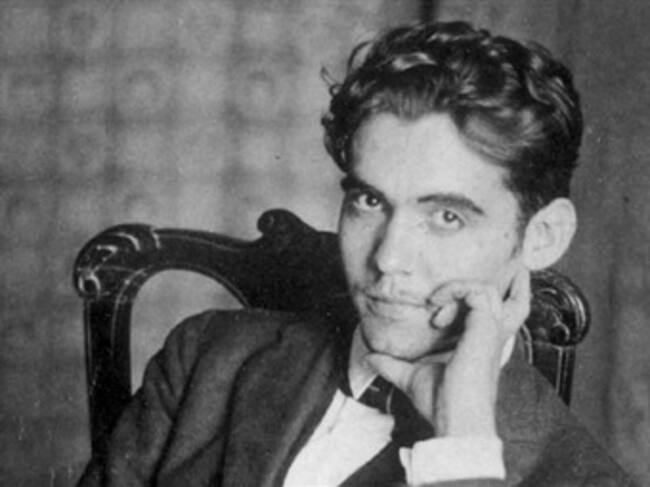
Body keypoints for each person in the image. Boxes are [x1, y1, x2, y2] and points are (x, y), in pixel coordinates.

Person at [79, 21, 635, 486]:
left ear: (543, 236)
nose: (388, 258)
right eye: (370, 201)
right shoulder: (206, 360)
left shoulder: (579, 478)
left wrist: (462, 447)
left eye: (446, 217)